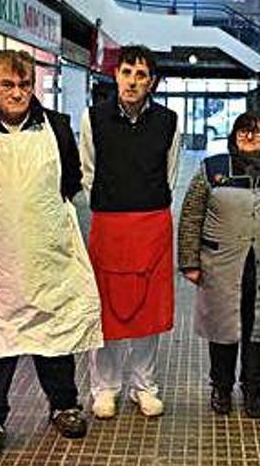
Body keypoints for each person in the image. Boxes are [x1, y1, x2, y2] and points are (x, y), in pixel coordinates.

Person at [0, 50, 103, 456]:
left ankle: (64, 405)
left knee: (54, 335)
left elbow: (70, 183)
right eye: (8, 85)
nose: (17, 93)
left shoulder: (58, 127)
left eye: (24, 85)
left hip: (45, 254)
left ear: (34, 86)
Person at [177, 113, 260, 419]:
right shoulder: (212, 169)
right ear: (233, 136)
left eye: (256, 133)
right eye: (243, 132)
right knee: (223, 330)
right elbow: (191, 216)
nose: (249, 137)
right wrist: (189, 262)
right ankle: (221, 388)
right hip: (221, 266)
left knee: (258, 331)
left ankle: (253, 389)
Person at [79, 45, 181, 419]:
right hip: (108, 224)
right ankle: (104, 389)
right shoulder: (94, 118)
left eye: (141, 75)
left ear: (151, 81)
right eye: (127, 73)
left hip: (152, 223)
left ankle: (145, 387)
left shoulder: (168, 121)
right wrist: (111, 201)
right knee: (104, 311)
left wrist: (147, 201)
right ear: (115, 75)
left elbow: (170, 173)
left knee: (148, 314)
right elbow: (87, 171)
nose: (133, 82)